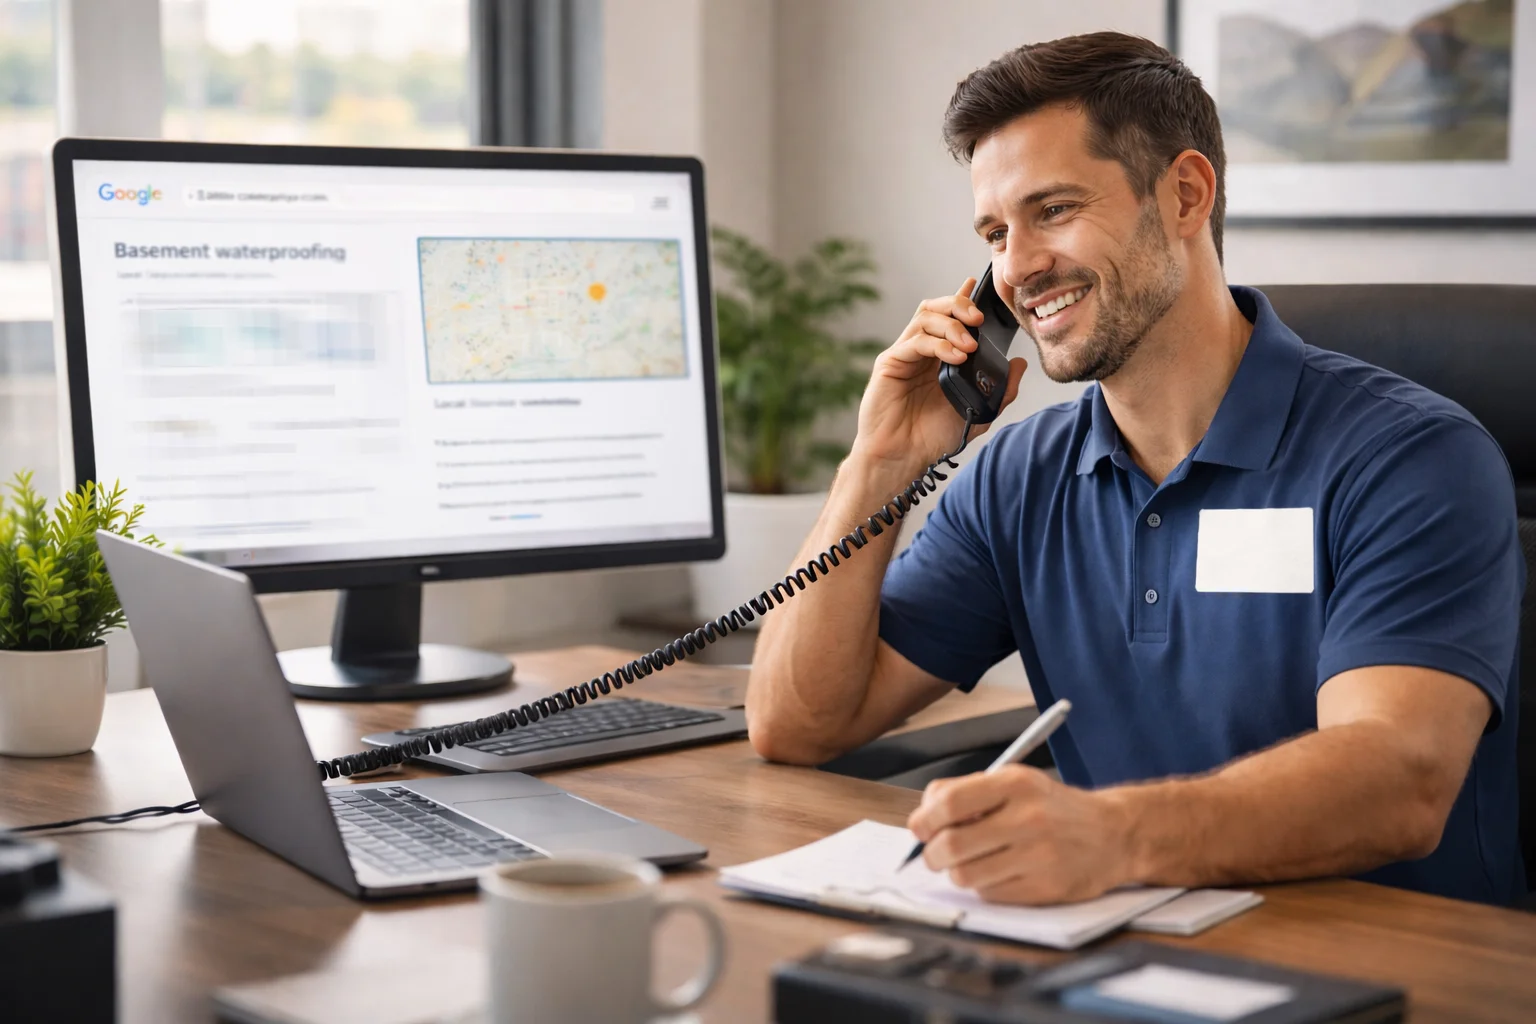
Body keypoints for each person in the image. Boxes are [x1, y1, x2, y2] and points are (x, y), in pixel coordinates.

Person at [744, 31, 1525, 907]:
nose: (1017, 268)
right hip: (1117, 944)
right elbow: (798, 724)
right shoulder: (1019, 477)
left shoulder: (1411, 458)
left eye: (1055, 209)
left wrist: (1110, 834)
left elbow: (1400, 780)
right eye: (996, 232)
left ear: (1186, 194)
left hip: (1396, 965)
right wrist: (879, 461)